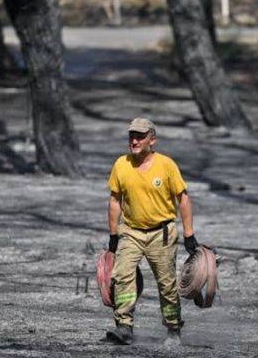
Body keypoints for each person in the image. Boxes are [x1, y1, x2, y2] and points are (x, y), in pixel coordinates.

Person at [105, 117, 201, 345]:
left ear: (153, 140)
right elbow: (115, 201)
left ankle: (173, 329)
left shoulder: (166, 165)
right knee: (122, 275)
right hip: (131, 232)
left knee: (166, 284)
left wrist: (189, 233)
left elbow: (183, 199)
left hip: (162, 233)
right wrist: (113, 234)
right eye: (132, 136)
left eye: (140, 136)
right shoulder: (121, 164)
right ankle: (124, 327)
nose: (134, 140)